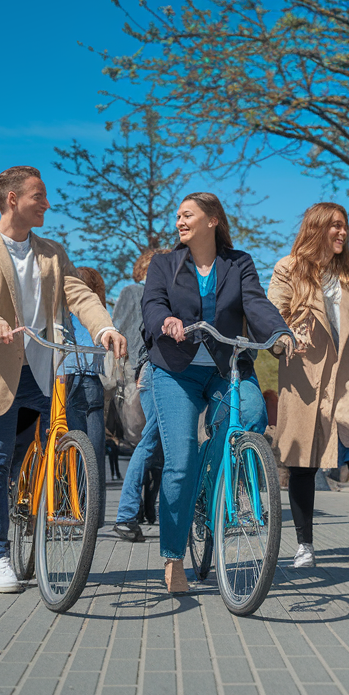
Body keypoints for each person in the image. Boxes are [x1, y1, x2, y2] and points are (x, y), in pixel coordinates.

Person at [0, 165, 125, 594]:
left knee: (35, 450)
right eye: (38, 196)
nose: (47, 204)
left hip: (41, 370)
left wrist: (103, 327)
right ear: (13, 199)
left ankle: (33, 502)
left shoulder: (51, 252)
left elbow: (79, 294)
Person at [142, 192, 289, 593]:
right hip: (176, 371)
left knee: (254, 415)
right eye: (177, 216)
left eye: (187, 214)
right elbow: (152, 304)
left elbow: (256, 306)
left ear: (212, 220)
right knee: (179, 461)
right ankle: (173, 557)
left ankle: (208, 483)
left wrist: (279, 334)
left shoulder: (238, 263)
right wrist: (166, 320)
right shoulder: (164, 264)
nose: (179, 222)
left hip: (229, 368)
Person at [268, 202, 349, 573]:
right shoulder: (289, 268)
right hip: (305, 378)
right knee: (303, 465)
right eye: (335, 226)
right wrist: (285, 335)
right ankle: (305, 546)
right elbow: (270, 314)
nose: (342, 232)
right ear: (316, 227)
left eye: (345, 227)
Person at [111, 248, 166, 543]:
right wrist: (137, 360)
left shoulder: (167, 292)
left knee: (156, 441)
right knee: (151, 439)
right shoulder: (133, 290)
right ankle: (128, 513)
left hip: (150, 368)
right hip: (145, 368)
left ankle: (143, 510)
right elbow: (118, 327)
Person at [63, 266, 111, 521]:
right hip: (94, 382)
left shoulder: (66, 313)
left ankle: (72, 506)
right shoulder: (102, 313)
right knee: (94, 450)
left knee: (70, 447)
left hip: (68, 380)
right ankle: (96, 514)